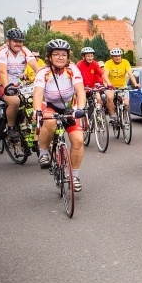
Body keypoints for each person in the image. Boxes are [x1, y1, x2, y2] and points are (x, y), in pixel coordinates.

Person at [32, 39, 87, 191]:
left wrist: (80, 108)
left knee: (78, 141)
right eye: (56, 54)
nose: (60, 57)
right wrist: (37, 110)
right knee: (49, 121)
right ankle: (43, 152)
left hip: (69, 107)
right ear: (49, 57)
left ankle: (74, 176)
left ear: (68, 57)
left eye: (64, 54)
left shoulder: (72, 69)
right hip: (51, 106)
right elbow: (37, 94)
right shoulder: (43, 72)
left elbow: (80, 91)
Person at [0, 28, 40, 141]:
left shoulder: (25, 51)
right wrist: (7, 88)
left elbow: (35, 66)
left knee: (35, 100)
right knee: (15, 101)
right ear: (8, 41)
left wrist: (43, 79)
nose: (18, 44)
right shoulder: (3, 52)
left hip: (19, 85)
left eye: (20, 41)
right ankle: (10, 128)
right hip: (1, 84)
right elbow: (3, 72)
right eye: (15, 41)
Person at [103, 48, 138, 124]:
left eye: (119, 56)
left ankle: (125, 117)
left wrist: (135, 83)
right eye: (115, 56)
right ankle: (112, 116)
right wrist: (108, 83)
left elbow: (130, 74)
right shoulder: (108, 63)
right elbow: (105, 75)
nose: (117, 58)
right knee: (109, 97)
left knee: (126, 103)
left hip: (122, 86)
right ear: (112, 57)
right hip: (111, 86)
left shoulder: (125, 62)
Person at [75, 47, 112, 112]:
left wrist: (109, 83)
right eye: (88, 56)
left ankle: (99, 116)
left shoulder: (94, 63)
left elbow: (102, 74)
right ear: (83, 57)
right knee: (82, 106)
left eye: (92, 56)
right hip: (82, 88)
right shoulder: (79, 65)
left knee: (98, 99)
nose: (90, 58)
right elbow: (74, 77)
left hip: (92, 87)